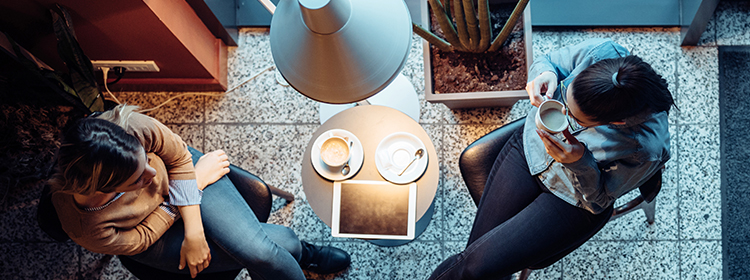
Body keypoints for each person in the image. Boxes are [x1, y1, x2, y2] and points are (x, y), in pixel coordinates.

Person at [427, 38, 674, 279]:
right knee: (477, 266)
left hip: (572, 199)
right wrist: (545, 72)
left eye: (576, 120)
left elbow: (598, 201)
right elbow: (548, 61)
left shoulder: (645, 147)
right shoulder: (602, 53)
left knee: (475, 268)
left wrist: (579, 162)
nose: (562, 113)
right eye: (564, 98)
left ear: (616, 122)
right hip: (530, 149)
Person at [49, 104, 350, 279]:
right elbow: (140, 239)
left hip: (188, 177)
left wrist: (193, 226)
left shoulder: (128, 128)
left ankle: (301, 254)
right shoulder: (86, 225)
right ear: (104, 190)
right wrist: (190, 188)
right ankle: (302, 253)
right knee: (283, 243)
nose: (153, 176)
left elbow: (178, 158)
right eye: (137, 180)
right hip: (154, 234)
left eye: (147, 161)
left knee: (263, 252)